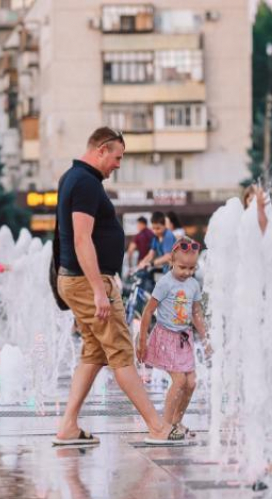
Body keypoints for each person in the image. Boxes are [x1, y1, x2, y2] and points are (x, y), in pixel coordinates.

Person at [54, 126, 186, 446]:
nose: (118, 164)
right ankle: (157, 426)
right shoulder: (84, 182)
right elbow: (81, 238)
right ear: (101, 149)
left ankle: (68, 426)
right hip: (88, 281)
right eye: (117, 157)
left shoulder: (76, 178)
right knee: (121, 352)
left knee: (94, 351)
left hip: (79, 280)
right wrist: (99, 289)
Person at [137, 237, 209, 433]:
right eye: (182, 267)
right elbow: (148, 311)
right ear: (171, 262)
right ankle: (165, 426)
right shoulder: (164, 283)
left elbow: (195, 313)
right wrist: (142, 340)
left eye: (191, 268)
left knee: (191, 382)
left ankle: (177, 421)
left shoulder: (193, 285)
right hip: (166, 337)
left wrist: (206, 338)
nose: (187, 272)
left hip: (184, 339)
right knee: (179, 381)